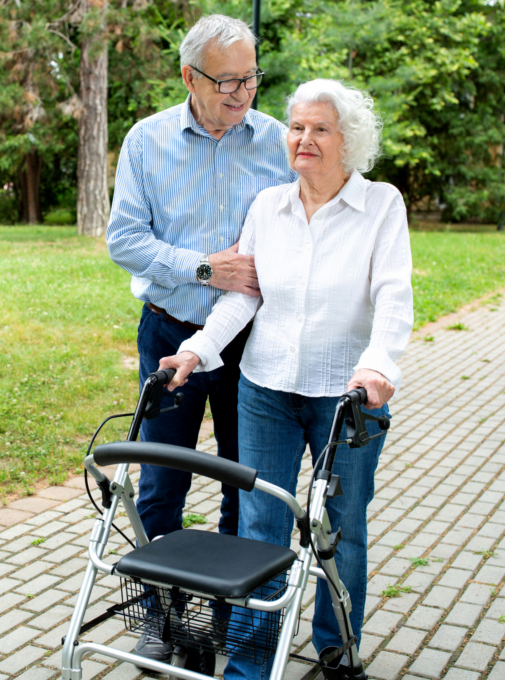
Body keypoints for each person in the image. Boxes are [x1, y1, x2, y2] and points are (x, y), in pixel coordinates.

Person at [159, 79, 413, 680]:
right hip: (265, 388)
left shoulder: (382, 205)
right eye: (296, 127)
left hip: (346, 398)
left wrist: (378, 365)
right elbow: (243, 298)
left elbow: (394, 295)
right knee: (259, 526)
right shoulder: (268, 207)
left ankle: (336, 647)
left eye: (319, 128)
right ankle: (251, 662)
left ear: (348, 140)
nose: (303, 139)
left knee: (340, 529)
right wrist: (196, 349)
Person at [106, 14, 297, 664]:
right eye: (227, 81)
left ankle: (231, 619)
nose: (242, 93)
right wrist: (207, 267)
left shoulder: (278, 142)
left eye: (250, 79)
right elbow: (123, 241)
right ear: (189, 76)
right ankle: (161, 617)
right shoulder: (146, 141)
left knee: (247, 485)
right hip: (169, 335)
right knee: (161, 486)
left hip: (252, 344)